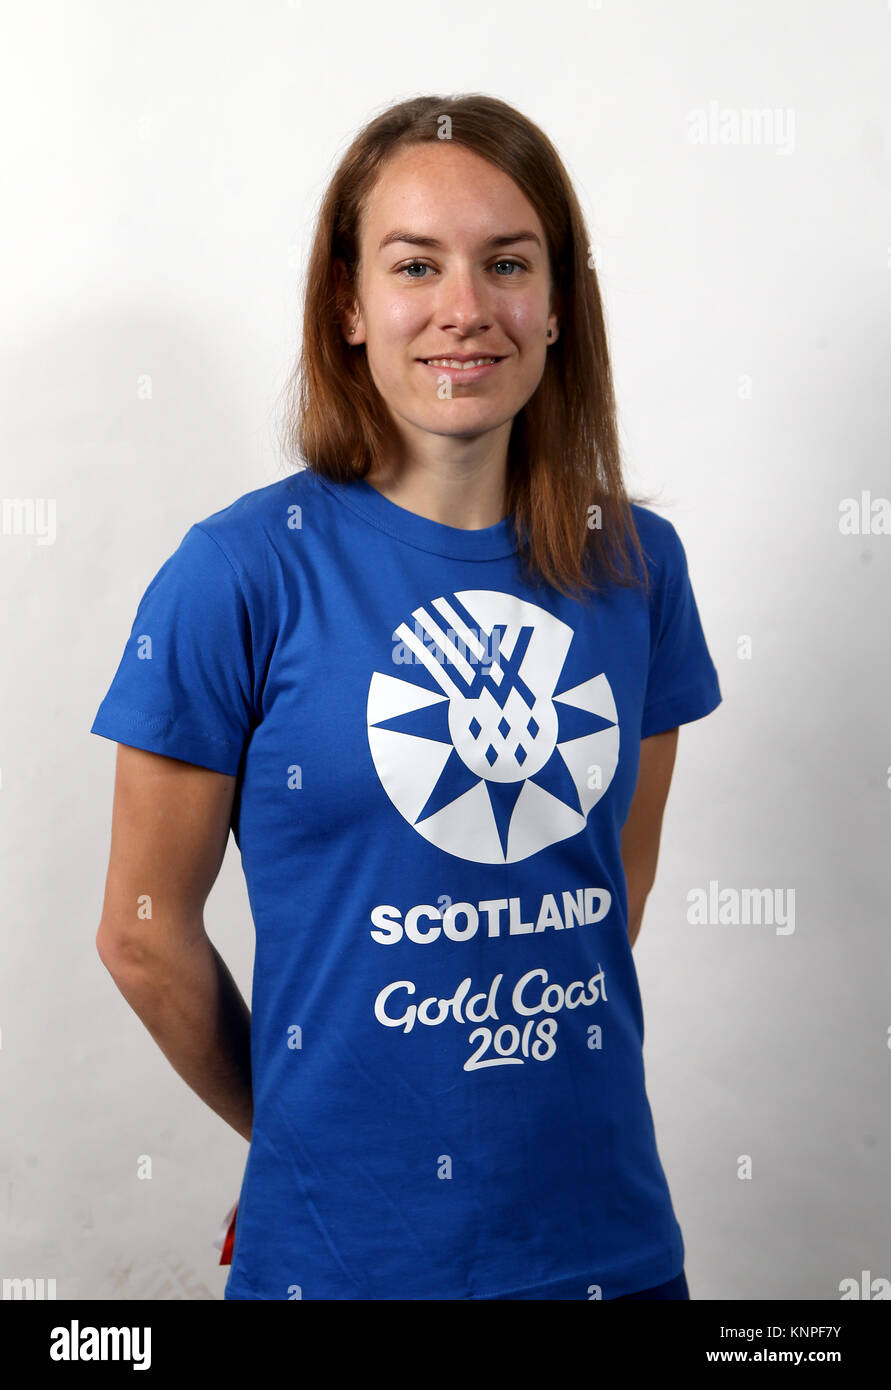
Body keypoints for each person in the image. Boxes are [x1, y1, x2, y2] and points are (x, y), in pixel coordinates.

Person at [91, 93, 722, 1301]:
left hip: (610, 1249)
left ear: (558, 303)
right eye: (415, 264)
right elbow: (139, 931)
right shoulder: (239, 572)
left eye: (508, 264)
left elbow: (602, 893)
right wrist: (303, 1138)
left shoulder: (636, 563)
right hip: (340, 1264)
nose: (465, 310)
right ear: (348, 302)